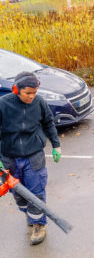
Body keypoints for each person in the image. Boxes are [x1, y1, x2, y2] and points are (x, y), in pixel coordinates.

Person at [0, 71, 61, 245]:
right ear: (16, 90)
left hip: (34, 155)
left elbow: (48, 122)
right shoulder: (3, 105)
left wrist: (56, 145)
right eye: (28, 93)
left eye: (34, 92)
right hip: (10, 157)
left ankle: (39, 225)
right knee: (19, 195)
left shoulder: (39, 102)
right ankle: (31, 215)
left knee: (36, 192)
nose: (32, 97)